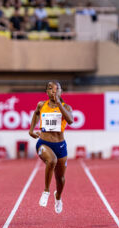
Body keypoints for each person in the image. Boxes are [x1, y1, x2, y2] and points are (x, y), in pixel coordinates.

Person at [29, 81, 73, 214]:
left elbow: (70, 121)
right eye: (50, 88)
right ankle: (46, 191)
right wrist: (31, 130)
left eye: (56, 89)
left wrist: (58, 103)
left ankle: (58, 197)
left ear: (61, 92)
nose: (53, 91)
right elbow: (36, 114)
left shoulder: (66, 107)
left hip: (60, 145)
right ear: (46, 92)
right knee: (51, 160)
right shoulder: (41, 105)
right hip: (43, 143)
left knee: (60, 178)